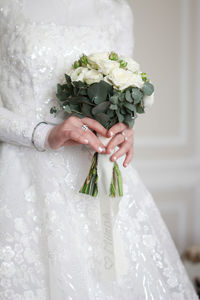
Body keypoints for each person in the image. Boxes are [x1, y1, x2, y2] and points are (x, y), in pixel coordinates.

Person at [0, 0, 198, 299]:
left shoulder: (116, 10)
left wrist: (125, 128)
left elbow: (124, 91)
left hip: (98, 170)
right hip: (23, 177)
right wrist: (42, 134)